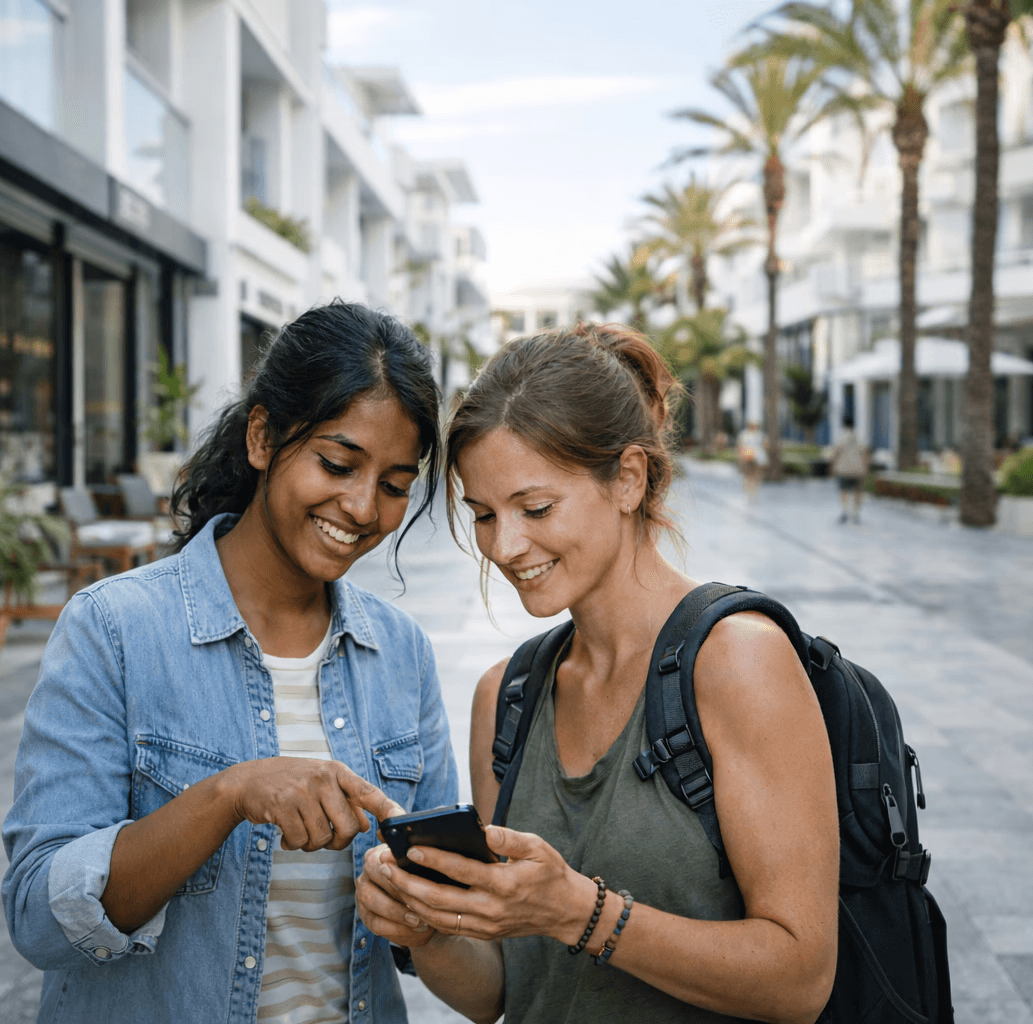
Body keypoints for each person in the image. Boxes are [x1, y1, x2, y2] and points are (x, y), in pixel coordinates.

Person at [355, 323, 839, 1024]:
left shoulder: (739, 662)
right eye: (484, 515)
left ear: (630, 478)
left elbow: (800, 978)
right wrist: (428, 927)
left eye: (537, 507)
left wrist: (580, 911)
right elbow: (497, 992)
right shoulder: (508, 696)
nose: (505, 545)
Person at [2, 302, 459, 1024]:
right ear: (262, 436)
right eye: (337, 464)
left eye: (396, 484)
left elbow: (435, 942)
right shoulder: (115, 630)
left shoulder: (399, 653)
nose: (364, 506)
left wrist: (447, 908)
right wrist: (230, 796)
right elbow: (38, 914)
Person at [829, 416, 869, 524]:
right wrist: (866, 468)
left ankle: (845, 511)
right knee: (858, 491)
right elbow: (865, 454)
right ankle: (856, 513)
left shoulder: (840, 438)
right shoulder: (860, 438)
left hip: (843, 470)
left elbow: (835, 454)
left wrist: (832, 468)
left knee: (844, 491)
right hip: (858, 469)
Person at [737, 420, 764, 500]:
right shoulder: (744, 435)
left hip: (757, 459)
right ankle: (747, 493)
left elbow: (763, 446)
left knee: (755, 477)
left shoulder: (760, 435)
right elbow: (740, 445)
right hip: (747, 458)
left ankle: (754, 493)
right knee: (747, 476)